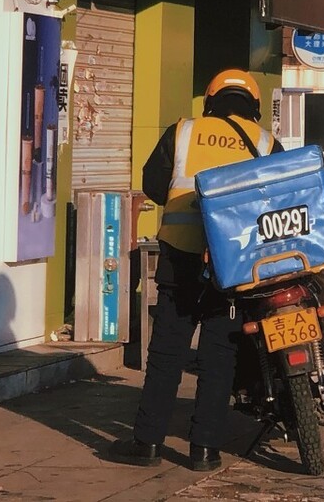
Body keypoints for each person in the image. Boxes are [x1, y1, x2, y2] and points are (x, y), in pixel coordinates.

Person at [109, 69, 284, 471]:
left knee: (168, 351)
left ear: (210, 100)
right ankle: (204, 450)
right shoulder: (264, 141)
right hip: (234, 262)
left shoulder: (183, 130)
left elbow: (153, 183)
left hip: (181, 256)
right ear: (253, 106)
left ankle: (147, 442)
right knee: (219, 355)